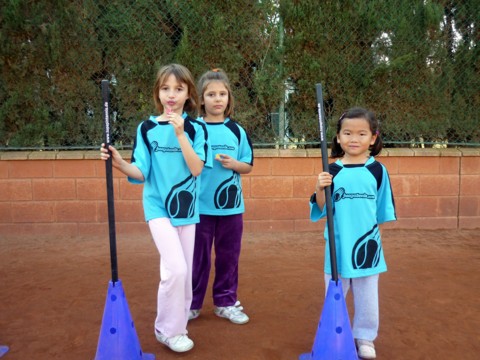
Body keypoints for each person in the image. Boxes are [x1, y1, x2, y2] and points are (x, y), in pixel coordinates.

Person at [100, 63, 211, 353]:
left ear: (189, 94)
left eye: (178, 89)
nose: (171, 95)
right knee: (175, 269)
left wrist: (180, 135)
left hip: (187, 210)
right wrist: (120, 163)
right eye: (165, 88)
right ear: (157, 93)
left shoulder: (197, 128)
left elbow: (197, 168)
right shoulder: (146, 128)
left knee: (183, 273)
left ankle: (175, 327)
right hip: (157, 207)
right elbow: (141, 171)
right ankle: (168, 330)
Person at [309, 107, 396, 359]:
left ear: (373, 138)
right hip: (336, 246)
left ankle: (365, 337)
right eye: (347, 133)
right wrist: (319, 187)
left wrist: (370, 234)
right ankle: (334, 335)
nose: (353, 139)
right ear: (337, 137)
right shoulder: (332, 171)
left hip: (367, 245)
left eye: (361, 133)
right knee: (334, 293)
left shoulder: (377, 170)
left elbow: (382, 208)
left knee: (368, 294)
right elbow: (320, 208)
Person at [189, 69, 253, 325]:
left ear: (229, 98)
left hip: (231, 209)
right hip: (198, 208)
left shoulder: (237, 131)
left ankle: (226, 302)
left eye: (222, 94)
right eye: (211, 94)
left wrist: (234, 164)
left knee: (229, 256)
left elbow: (247, 166)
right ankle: (191, 304)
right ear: (201, 99)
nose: (218, 99)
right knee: (197, 259)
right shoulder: (192, 128)